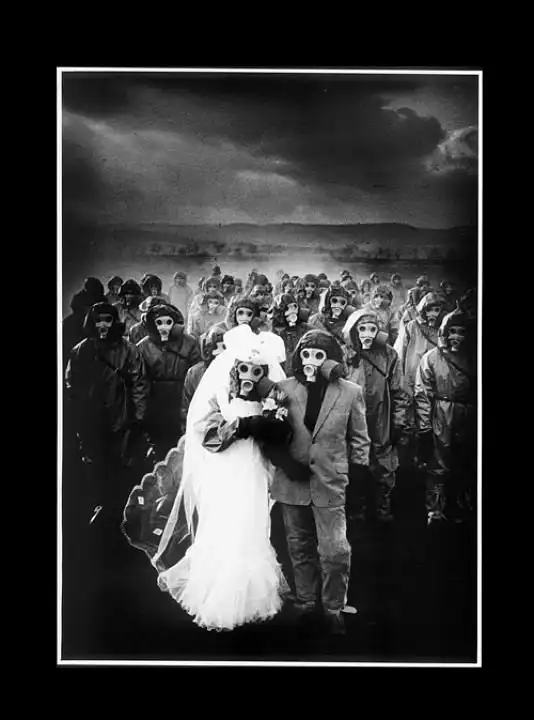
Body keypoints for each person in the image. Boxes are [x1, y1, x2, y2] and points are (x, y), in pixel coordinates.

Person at [152, 323, 289, 631]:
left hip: (253, 463)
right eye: (244, 368)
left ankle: (250, 593)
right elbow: (201, 425)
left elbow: (280, 423)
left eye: (257, 370)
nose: (249, 374)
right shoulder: (220, 389)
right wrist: (235, 427)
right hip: (225, 463)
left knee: (251, 519)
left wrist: (267, 426)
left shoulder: (270, 395)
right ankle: (217, 589)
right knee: (223, 519)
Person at [267, 329, 370, 636]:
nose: (311, 360)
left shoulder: (350, 391)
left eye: (319, 355)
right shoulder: (282, 389)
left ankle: (334, 607)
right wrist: (285, 462)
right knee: (299, 547)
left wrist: (358, 477)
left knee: (335, 550)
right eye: (306, 354)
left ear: (331, 359)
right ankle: (306, 602)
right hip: (292, 481)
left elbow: (359, 438)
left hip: (330, 481)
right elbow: (270, 434)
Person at [65, 301, 149, 522]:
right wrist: (77, 415)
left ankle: (121, 508)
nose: (103, 325)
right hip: (91, 416)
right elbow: (71, 384)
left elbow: (138, 382)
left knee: (121, 462)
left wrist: (139, 416)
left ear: (114, 322)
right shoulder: (81, 350)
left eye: (108, 320)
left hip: (120, 414)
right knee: (95, 462)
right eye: (98, 320)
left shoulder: (128, 349)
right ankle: (100, 505)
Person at [343, 309, 409, 522]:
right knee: (354, 459)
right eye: (362, 329)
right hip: (352, 419)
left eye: (372, 329)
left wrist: (399, 421)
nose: (367, 334)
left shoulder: (389, 355)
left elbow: (399, 391)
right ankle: (356, 507)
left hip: (382, 416)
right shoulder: (346, 355)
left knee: (384, 461)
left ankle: (382, 507)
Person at [415, 306, 477, 526]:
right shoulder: (432, 358)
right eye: (452, 331)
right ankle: (435, 508)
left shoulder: (473, 357)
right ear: (444, 332)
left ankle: (464, 504)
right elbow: (422, 394)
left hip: (468, 412)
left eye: (461, 332)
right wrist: (424, 425)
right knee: (439, 463)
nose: (456, 337)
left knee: (466, 461)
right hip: (441, 411)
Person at [137, 303, 200, 460]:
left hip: (181, 396)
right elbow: (140, 378)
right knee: (159, 442)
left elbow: (195, 372)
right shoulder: (143, 346)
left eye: (168, 322)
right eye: (159, 322)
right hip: (155, 400)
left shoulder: (189, 343)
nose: (164, 327)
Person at [393, 290, 447, 463]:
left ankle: (427, 460)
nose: (433, 314)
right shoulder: (412, 327)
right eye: (429, 309)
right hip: (410, 380)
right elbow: (399, 354)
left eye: (437, 310)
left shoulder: (445, 330)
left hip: (433, 382)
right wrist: (399, 380)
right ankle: (407, 462)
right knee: (408, 423)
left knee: (431, 422)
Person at [180, 324, 227, 436]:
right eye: (215, 348)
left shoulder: (236, 371)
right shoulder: (195, 373)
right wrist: (187, 432)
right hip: (200, 428)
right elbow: (186, 406)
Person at [271, 292, 313, 377]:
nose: (292, 311)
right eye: (287, 308)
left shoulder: (307, 329)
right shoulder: (275, 333)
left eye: (294, 307)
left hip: (303, 374)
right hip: (282, 376)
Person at [308, 285, 355, 352]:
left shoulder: (348, 324)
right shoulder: (315, 320)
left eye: (342, 302)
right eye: (334, 301)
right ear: (328, 302)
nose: (338, 305)